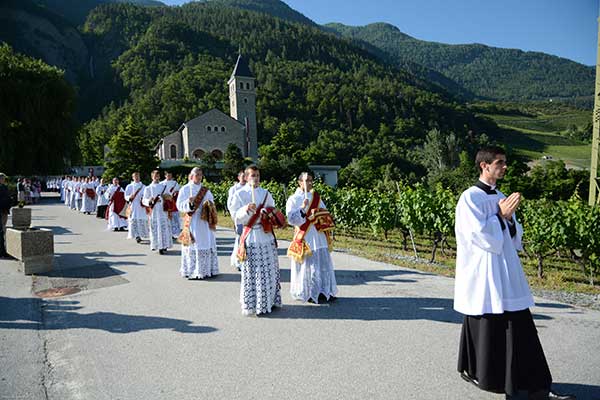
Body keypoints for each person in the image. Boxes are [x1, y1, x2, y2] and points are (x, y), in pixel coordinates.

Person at [454, 146, 574, 400]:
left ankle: (537, 385)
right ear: (484, 166)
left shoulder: (502, 195)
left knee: (521, 326)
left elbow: (513, 237)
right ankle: (491, 377)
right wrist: (500, 215)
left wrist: (508, 220)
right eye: (500, 162)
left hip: (506, 273)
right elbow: (478, 236)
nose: (505, 166)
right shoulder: (470, 198)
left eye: (505, 162)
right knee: (490, 326)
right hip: (484, 274)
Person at [230, 165, 282, 316]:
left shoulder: (265, 193)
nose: (256, 178)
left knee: (269, 268)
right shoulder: (239, 194)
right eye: (252, 175)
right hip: (250, 234)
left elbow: (273, 210)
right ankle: (253, 303)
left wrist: (267, 212)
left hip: (265, 234)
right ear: (246, 177)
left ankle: (270, 300)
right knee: (253, 270)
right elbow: (235, 216)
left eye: (258, 175)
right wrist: (245, 209)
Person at [286, 172, 338, 303]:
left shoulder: (316, 197)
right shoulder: (293, 199)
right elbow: (291, 219)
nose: (309, 183)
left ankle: (323, 290)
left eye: (310, 180)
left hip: (318, 233)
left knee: (322, 263)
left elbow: (325, 213)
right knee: (307, 264)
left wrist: (318, 215)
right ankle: (308, 291)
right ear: (299, 182)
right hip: (305, 235)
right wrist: (303, 209)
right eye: (306, 180)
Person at [176, 167, 219, 279]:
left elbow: (212, 203)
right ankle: (192, 270)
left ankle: (206, 270)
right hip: (192, 221)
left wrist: (208, 204)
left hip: (204, 221)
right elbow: (179, 205)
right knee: (193, 245)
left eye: (200, 174)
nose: (199, 177)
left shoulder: (206, 190)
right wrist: (189, 203)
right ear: (191, 176)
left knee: (205, 243)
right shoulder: (185, 189)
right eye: (197, 174)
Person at [143, 170, 172, 255]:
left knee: (164, 227)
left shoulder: (163, 186)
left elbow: (169, 196)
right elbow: (144, 199)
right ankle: (158, 246)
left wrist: (163, 198)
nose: (156, 177)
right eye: (154, 176)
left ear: (159, 177)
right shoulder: (148, 188)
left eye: (157, 176)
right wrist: (150, 201)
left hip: (163, 210)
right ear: (152, 177)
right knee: (155, 228)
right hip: (154, 211)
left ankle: (164, 245)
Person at [227, 170, 246, 271]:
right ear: (238, 177)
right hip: (239, 217)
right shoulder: (234, 189)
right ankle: (238, 260)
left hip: (250, 218)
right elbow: (230, 205)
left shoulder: (249, 188)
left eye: (245, 176)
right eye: (242, 176)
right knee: (240, 239)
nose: (244, 178)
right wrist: (235, 218)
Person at [124, 172, 149, 243]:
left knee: (141, 220)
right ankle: (136, 235)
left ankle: (140, 235)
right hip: (133, 206)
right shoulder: (129, 186)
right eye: (135, 176)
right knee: (133, 220)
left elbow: (147, 195)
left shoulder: (144, 187)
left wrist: (143, 199)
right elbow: (125, 196)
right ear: (133, 177)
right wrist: (129, 197)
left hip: (141, 206)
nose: (137, 178)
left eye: (138, 176)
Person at [161, 172, 181, 239]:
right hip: (165, 202)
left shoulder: (175, 183)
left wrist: (175, 193)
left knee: (173, 218)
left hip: (172, 202)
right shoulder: (162, 183)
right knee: (166, 217)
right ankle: (166, 233)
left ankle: (173, 233)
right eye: (167, 175)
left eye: (170, 175)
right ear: (165, 175)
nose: (169, 176)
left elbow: (178, 191)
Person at [0, 173, 11, 257]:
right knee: (1, 230)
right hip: (1, 209)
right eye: (3, 178)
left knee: (3, 228)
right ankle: (2, 251)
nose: (4, 180)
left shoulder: (4, 186)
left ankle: (3, 249)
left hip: (4, 210)